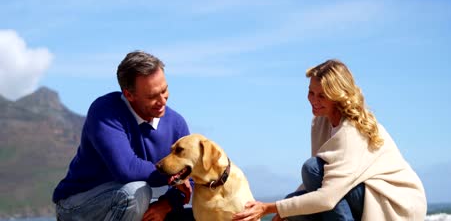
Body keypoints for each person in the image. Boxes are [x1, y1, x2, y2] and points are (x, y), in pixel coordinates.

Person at [233, 59, 427, 221]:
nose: (314, 100)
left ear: (338, 97)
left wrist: (269, 208)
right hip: (352, 192)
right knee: (296, 205)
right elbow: (319, 183)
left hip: (394, 204)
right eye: (311, 92)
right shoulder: (320, 122)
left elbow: (327, 196)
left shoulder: (351, 130)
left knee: (312, 169)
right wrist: (284, 210)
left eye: (322, 96)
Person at [53, 50, 194, 221]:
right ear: (129, 95)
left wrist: (166, 204)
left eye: (164, 90)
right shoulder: (105, 111)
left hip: (129, 205)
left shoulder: (176, 124)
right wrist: (174, 175)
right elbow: (127, 169)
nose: (163, 101)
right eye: (152, 96)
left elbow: (191, 177)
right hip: (77, 205)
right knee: (136, 192)